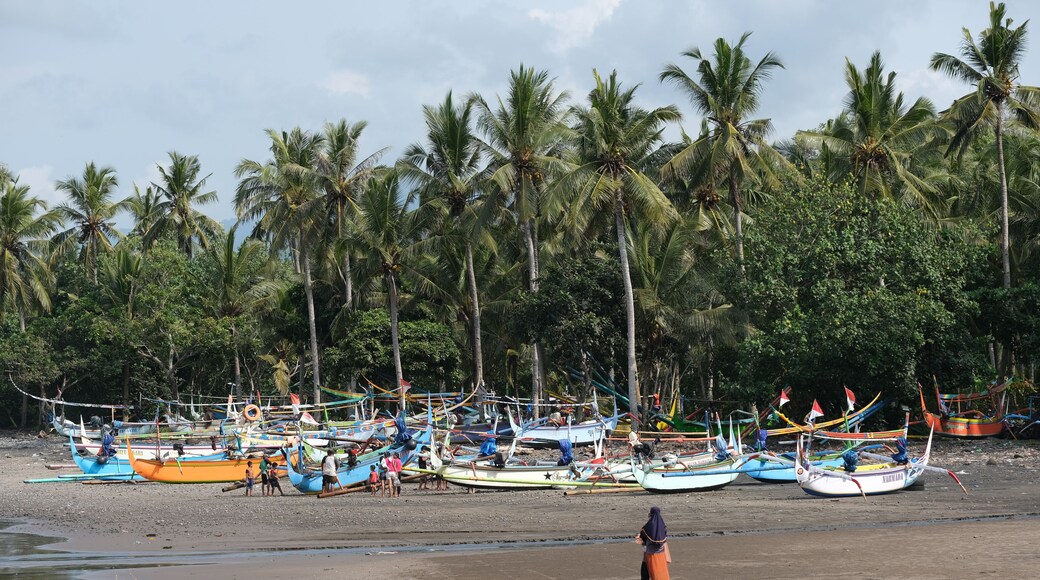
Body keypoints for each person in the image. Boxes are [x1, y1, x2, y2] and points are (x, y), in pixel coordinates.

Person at [636, 506, 669, 580]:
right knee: (660, 572)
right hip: (661, 554)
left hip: (650, 554)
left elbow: (643, 535)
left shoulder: (649, 526)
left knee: (647, 570)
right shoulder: (662, 526)